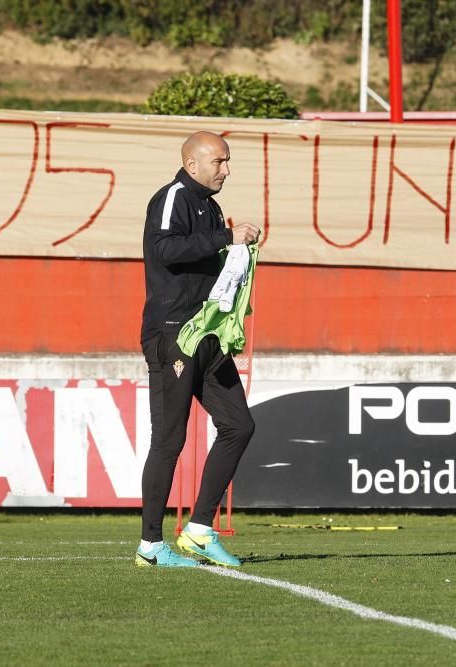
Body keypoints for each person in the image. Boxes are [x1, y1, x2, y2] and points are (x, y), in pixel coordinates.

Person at [136, 131, 260, 568]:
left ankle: (200, 531)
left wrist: (238, 258)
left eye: (227, 161)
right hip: (173, 334)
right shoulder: (172, 197)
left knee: (239, 426)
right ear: (192, 164)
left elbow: (210, 261)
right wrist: (226, 239)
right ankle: (150, 546)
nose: (226, 169)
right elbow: (165, 249)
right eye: (219, 162)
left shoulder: (212, 205)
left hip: (208, 334)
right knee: (168, 441)